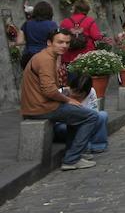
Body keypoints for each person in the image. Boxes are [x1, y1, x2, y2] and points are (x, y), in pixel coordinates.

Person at [20, 28, 100, 171]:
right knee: (91, 116)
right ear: (49, 42)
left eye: (67, 43)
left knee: (76, 115)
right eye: (60, 42)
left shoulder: (47, 57)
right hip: (41, 107)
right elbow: (49, 90)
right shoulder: (45, 59)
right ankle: (72, 159)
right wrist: (67, 100)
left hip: (40, 105)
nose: (64, 45)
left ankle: (74, 153)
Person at [53, 73, 109, 154]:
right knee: (64, 127)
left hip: (86, 124)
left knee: (102, 115)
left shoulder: (91, 92)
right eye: (74, 91)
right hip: (67, 125)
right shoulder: (61, 93)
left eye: (80, 94)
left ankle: (98, 145)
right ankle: (85, 145)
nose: (75, 95)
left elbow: (94, 113)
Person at [59, 0, 102, 67]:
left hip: (69, 56)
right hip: (87, 55)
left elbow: (60, 38)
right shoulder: (89, 20)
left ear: (75, 9)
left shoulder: (65, 22)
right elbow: (96, 36)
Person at [17, 1, 58, 70]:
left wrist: (30, 40)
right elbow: (55, 42)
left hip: (28, 57)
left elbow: (19, 41)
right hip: (45, 57)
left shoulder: (27, 24)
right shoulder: (52, 25)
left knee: (29, 79)